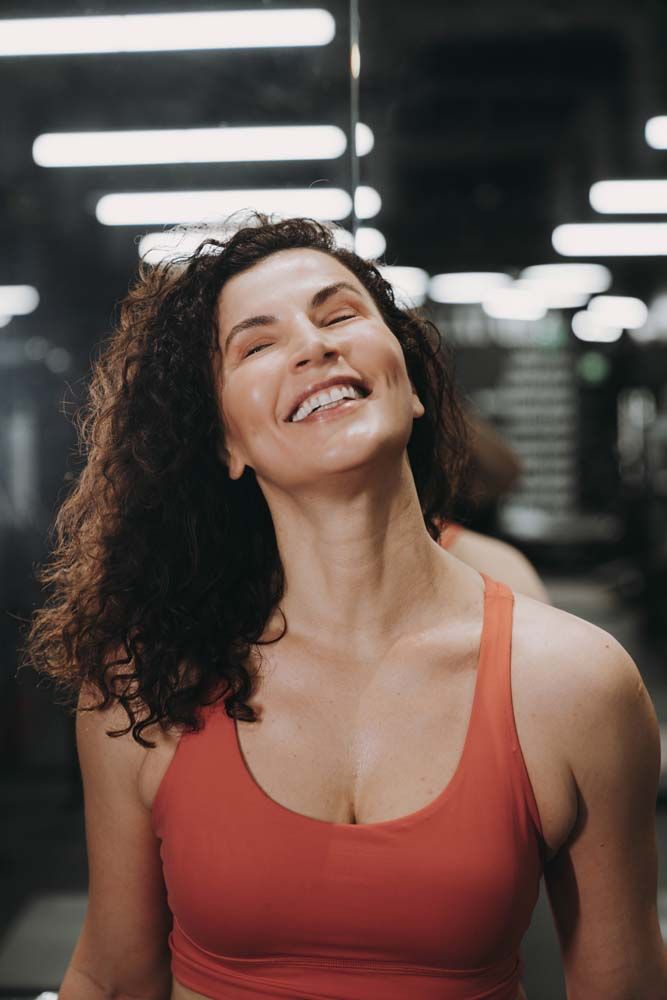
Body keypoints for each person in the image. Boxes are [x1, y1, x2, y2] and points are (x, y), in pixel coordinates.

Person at [24, 214, 666, 1000]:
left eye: (339, 315)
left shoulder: (576, 682)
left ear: (413, 385)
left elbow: (623, 984)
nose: (313, 345)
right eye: (256, 344)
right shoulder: (147, 678)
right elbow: (114, 977)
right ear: (226, 442)